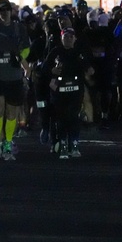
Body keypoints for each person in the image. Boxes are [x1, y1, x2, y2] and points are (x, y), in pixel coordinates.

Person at [0, 0, 31, 161]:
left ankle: (8, 143)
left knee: (11, 114)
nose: (4, 12)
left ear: (11, 11)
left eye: (7, 9)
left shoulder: (19, 28)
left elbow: (27, 47)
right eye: (1, 10)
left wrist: (21, 58)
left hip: (14, 76)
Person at [43, 27, 93, 158]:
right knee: (61, 118)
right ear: (61, 38)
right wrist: (52, 70)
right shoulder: (55, 52)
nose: (69, 39)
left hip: (75, 90)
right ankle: (62, 144)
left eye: (71, 37)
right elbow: (44, 68)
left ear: (75, 38)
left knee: (73, 117)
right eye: (66, 37)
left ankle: (74, 143)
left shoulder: (79, 52)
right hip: (59, 90)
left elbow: (88, 67)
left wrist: (89, 71)